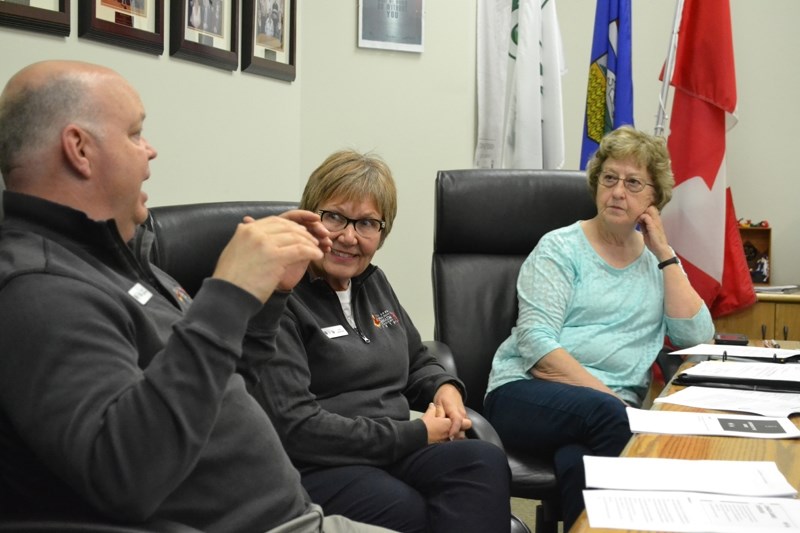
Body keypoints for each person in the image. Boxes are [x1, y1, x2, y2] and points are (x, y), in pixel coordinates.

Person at [0, 60, 396, 533]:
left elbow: (225, 391)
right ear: (79, 149)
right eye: (134, 133)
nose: (151, 152)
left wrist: (268, 299)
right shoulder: (40, 288)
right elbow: (127, 473)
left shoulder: (122, 260)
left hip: (296, 512)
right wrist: (228, 292)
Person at [247, 149, 512, 533]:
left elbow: (417, 358)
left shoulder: (372, 282)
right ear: (310, 217)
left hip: (393, 449)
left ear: (382, 234)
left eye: (367, 223)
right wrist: (417, 433)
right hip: (319, 463)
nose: (348, 237)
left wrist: (444, 388)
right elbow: (297, 428)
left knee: (481, 463)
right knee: (406, 510)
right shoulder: (280, 298)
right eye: (335, 216)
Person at [483, 126, 715, 530]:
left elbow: (696, 341)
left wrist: (664, 253)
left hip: (602, 415)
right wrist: (614, 405)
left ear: (653, 199)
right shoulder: (560, 248)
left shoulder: (656, 265)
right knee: (611, 424)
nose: (618, 191)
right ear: (596, 184)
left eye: (633, 182)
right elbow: (537, 349)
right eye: (609, 178)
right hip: (524, 395)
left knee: (580, 464)